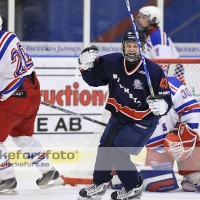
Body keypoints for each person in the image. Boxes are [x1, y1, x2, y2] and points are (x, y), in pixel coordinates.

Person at [77, 29, 172, 200]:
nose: (131, 49)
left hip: (143, 119)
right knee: (105, 148)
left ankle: (133, 187)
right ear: (123, 46)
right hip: (119, 115)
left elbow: (166, 98)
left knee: (118, 154)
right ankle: (99, 185)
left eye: (135, 46)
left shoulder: (154, 71)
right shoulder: (112, 61)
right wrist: (85, 66)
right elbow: (94, 79)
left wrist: (161, 105)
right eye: (128, 45)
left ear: (142, 47)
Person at [0, 16, 63, 195]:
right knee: (23, 137)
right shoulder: (9, 36)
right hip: (31, 90)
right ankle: (49, 172)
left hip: (15, 96)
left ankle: (6, 179)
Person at [136, 6, 186, 84]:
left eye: (144, 18)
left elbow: (164, 64)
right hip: (163, 80)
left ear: (153, 20)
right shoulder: (149, 36)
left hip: (171, 82)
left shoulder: (157, 36)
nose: (140, 20)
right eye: (140, 17)